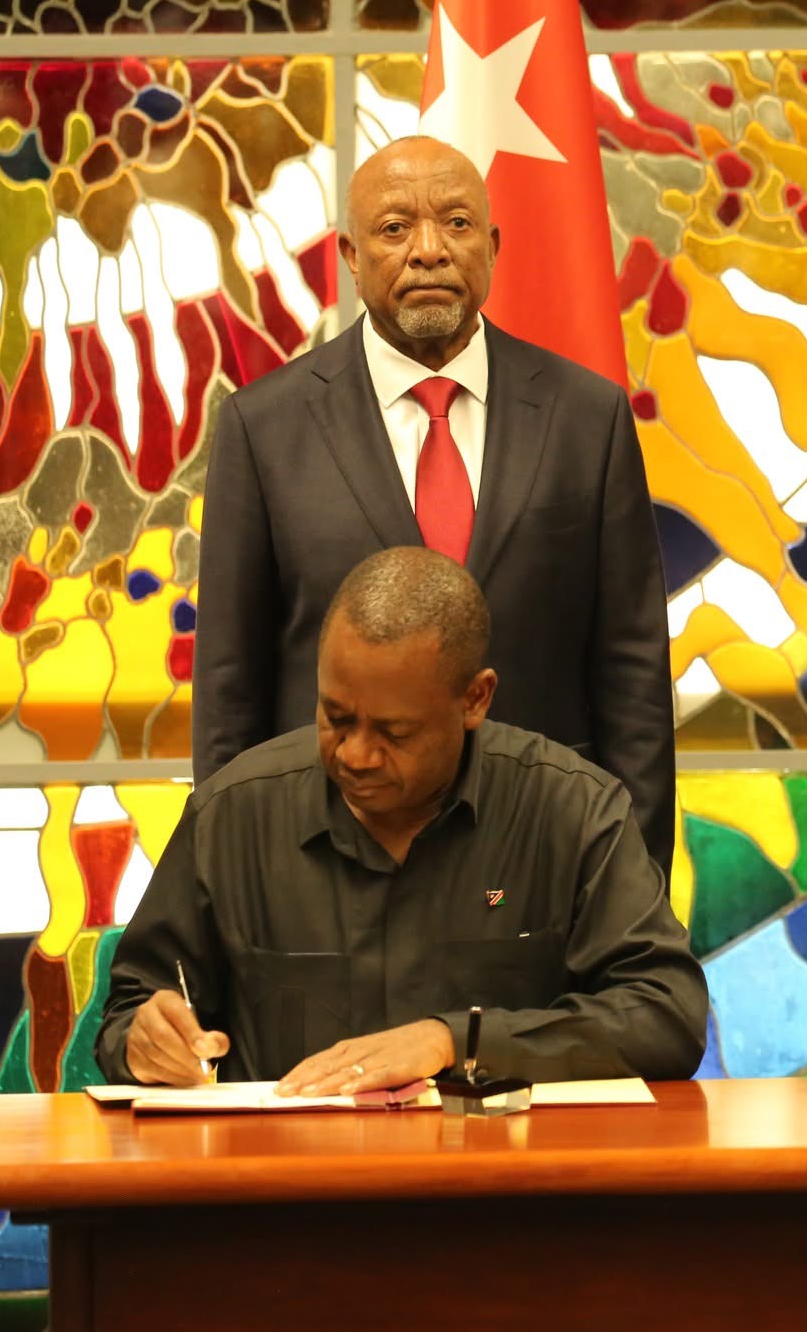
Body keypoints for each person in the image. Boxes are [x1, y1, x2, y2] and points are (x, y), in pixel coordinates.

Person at [193, 134, 676, 875]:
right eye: (395, 228)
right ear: (351, 257)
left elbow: (633, 671)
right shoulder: (264, 429)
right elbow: (231, 686)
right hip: (327, 865)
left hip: (545, 858)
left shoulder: (587, 417)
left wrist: (633, 884)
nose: (428, 251)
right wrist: (233, 886)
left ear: (493, 246)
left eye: (456, 223)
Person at [100, 548, 706, 1091]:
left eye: (395, 732)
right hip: (291, 1175)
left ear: (475, 699)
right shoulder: (234, 815)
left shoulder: (570, 810)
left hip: (500, 1172)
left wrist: (459, 1042)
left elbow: (667, 1014)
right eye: (335, 718)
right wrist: (144, 1043)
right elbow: (131, 1011)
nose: (356, 755)